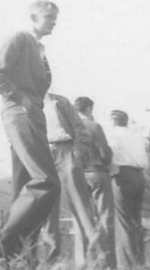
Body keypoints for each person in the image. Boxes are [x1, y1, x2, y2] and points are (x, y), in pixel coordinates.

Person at [0, 0, 61, 261]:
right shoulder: (18, 38)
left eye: (55, 16)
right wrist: (23, 100)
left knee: (24, 186)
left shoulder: (40, 50)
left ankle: (20, 258)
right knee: (46, 182)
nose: (54, 20)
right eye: (49, 15)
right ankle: (1, 242)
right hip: (20, 112)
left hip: (32, 115)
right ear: (32, 16)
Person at [41, 93, 109, 267]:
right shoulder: (29, 102)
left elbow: (80, 129)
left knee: (81, 208)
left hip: (65, 151)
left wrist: (76, 154)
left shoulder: (59, 101)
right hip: (44, 154)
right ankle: (51, 261)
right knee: (48, 210)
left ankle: (98, 260)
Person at [74, 96, 115, 267]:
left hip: (76, 176)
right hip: (96, 172)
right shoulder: (94, 126)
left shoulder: (69, 127)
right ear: (89, 109)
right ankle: (104, 261)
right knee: (104, 216)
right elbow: (104, 153)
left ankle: (82, 262)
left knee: (81, 219)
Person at [106, 109, 148, 269]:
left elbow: (107, 154)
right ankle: (139, 260)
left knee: (122, 222)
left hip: (122, 176)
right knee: (135, 220)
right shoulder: (137, 136)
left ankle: (126, 264)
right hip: (139, 177)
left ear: (112, 120)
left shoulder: (112, 135)